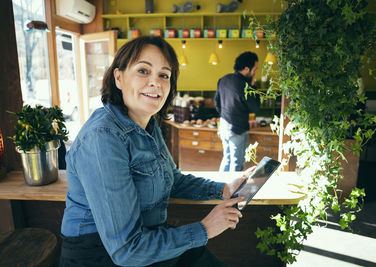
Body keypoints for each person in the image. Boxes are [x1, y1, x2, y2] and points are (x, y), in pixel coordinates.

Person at [59, 36, 250, 267]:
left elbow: (173, 180)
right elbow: (126, 250)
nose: (155, 82)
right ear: (118, 78)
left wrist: (224, 189)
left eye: (164, 75)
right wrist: (205, 228)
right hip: (100, 255)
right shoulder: (103, 137)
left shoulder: (148, 123)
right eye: (143, 71)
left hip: (149, 241)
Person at [214, 51, 261, 172]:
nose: (255, 72)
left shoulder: (223, 80)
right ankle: (233, 191)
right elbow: (255, 107)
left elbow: (217, 104)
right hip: (238, 130)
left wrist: (227, 116)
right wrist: (253, 86)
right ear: (246, 69)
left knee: (227, 159)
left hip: (224, 127)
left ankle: (219, 189)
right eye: (254, 69)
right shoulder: (244, 85)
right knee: (237, 164)